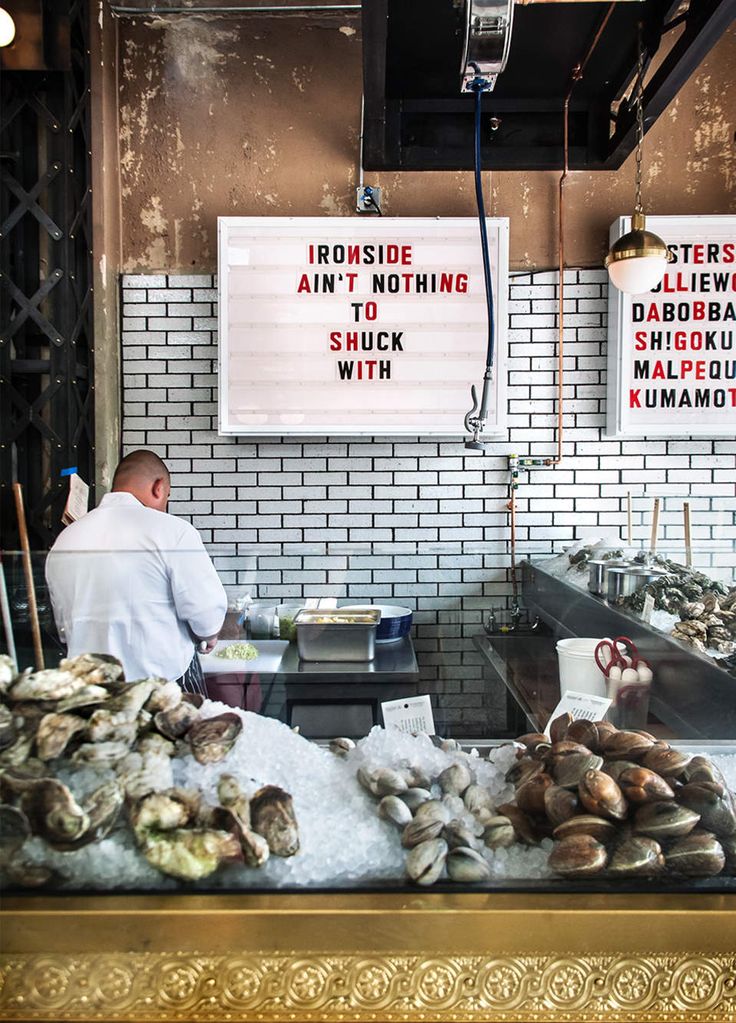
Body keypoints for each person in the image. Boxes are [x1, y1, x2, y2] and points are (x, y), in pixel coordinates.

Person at [46, 449, 227, 694]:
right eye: (168, 497)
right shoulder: (174, 531)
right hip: (164, 685)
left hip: (91, 688)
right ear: (159, 487)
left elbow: (64, 629)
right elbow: (206, 611)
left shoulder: (66, 538)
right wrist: (209, 633)